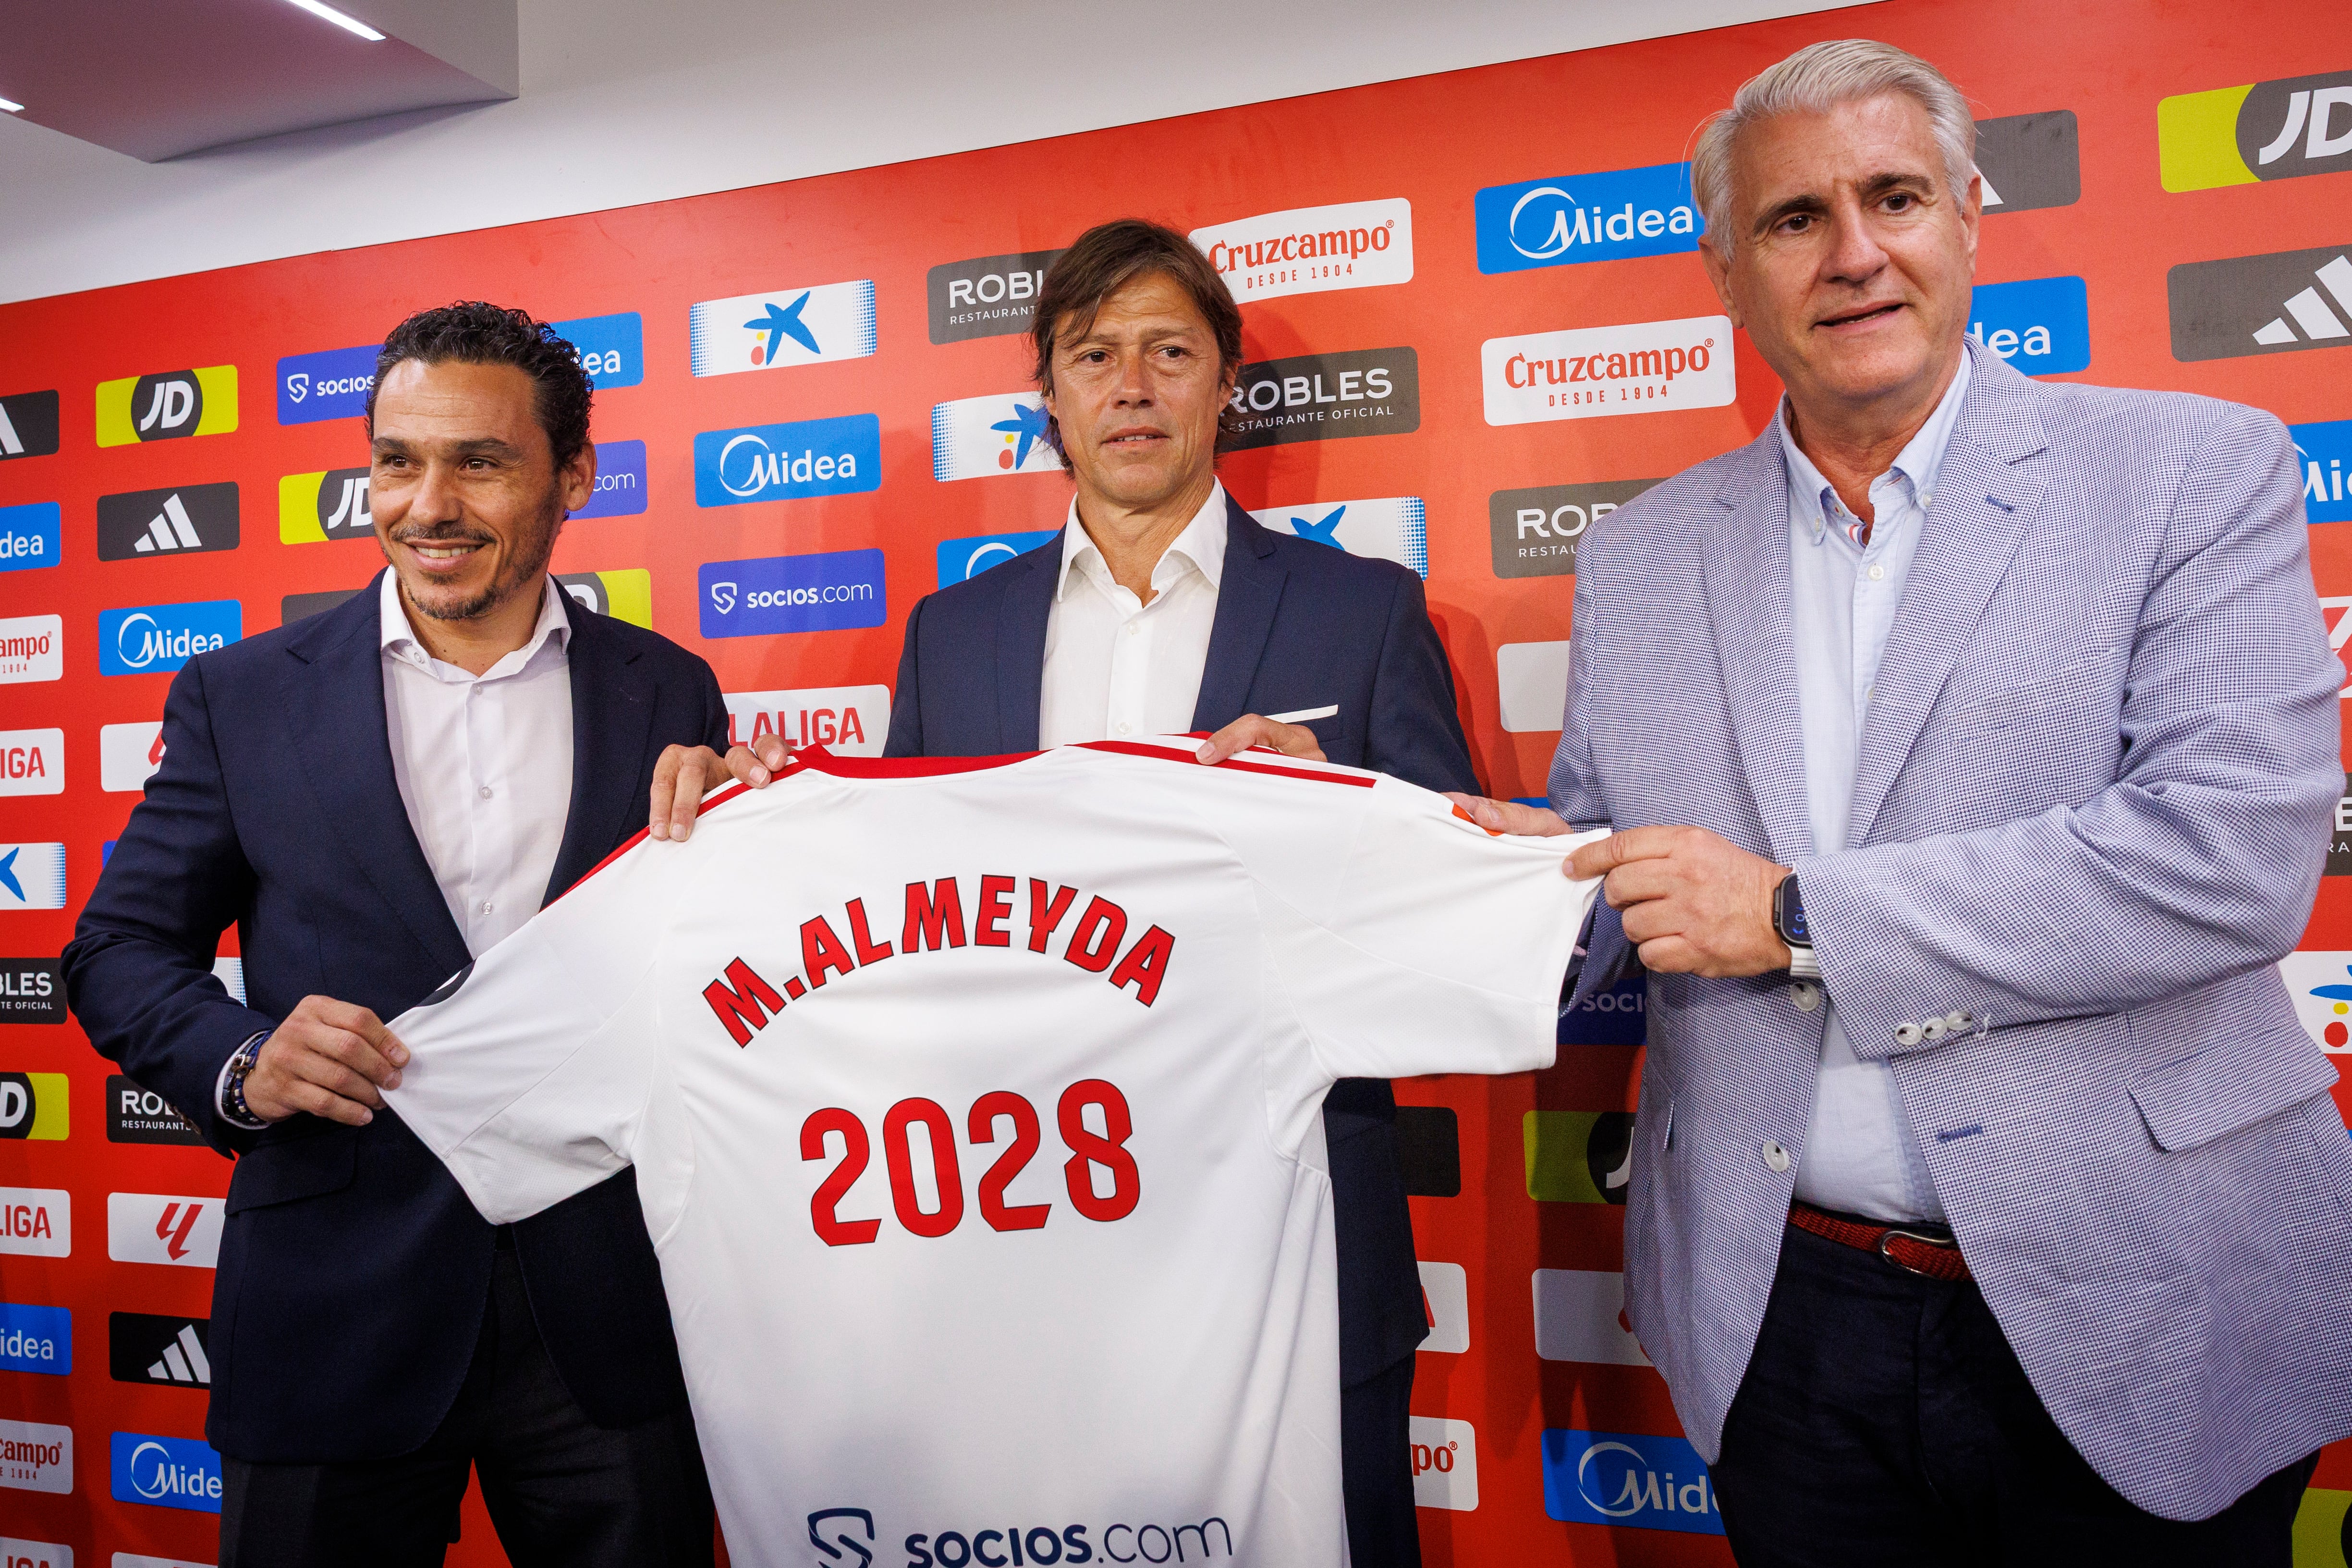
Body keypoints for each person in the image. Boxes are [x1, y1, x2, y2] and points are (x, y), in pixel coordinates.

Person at [1453, 38, 2352, 1566]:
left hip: (2143, 1296)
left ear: (1967, 216)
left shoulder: (2189, 470)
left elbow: (2226, 858)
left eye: (1893, 198)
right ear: (1728, 271)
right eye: (1795, 218)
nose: (1855, 252)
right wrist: (1386, 851)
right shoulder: (1643, 553)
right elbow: (1605, 866)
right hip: (1783, 1321)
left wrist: (1789, 917)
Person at [653, 218, 1475, 1568]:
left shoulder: (1363, 611)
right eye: (1094, 355)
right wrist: (767, 823)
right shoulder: (952, 630)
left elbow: (1447, 904)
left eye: (1169, 352)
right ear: (1049, 399)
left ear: (1225, 385)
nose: (1132, 385)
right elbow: (900, 921)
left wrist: (1350, 807)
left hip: (1293, 1250)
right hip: (1018, 1246)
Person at [65, 304, 726, 1568]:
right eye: (394, 460)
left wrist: (755, 826)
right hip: (335, 1300)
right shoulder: (243, 695)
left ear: (572, 476)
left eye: (479, 461)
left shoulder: (671, 690)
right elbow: (116, 950)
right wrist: (242, 1058)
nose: (428, 503)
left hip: (608, 1305)